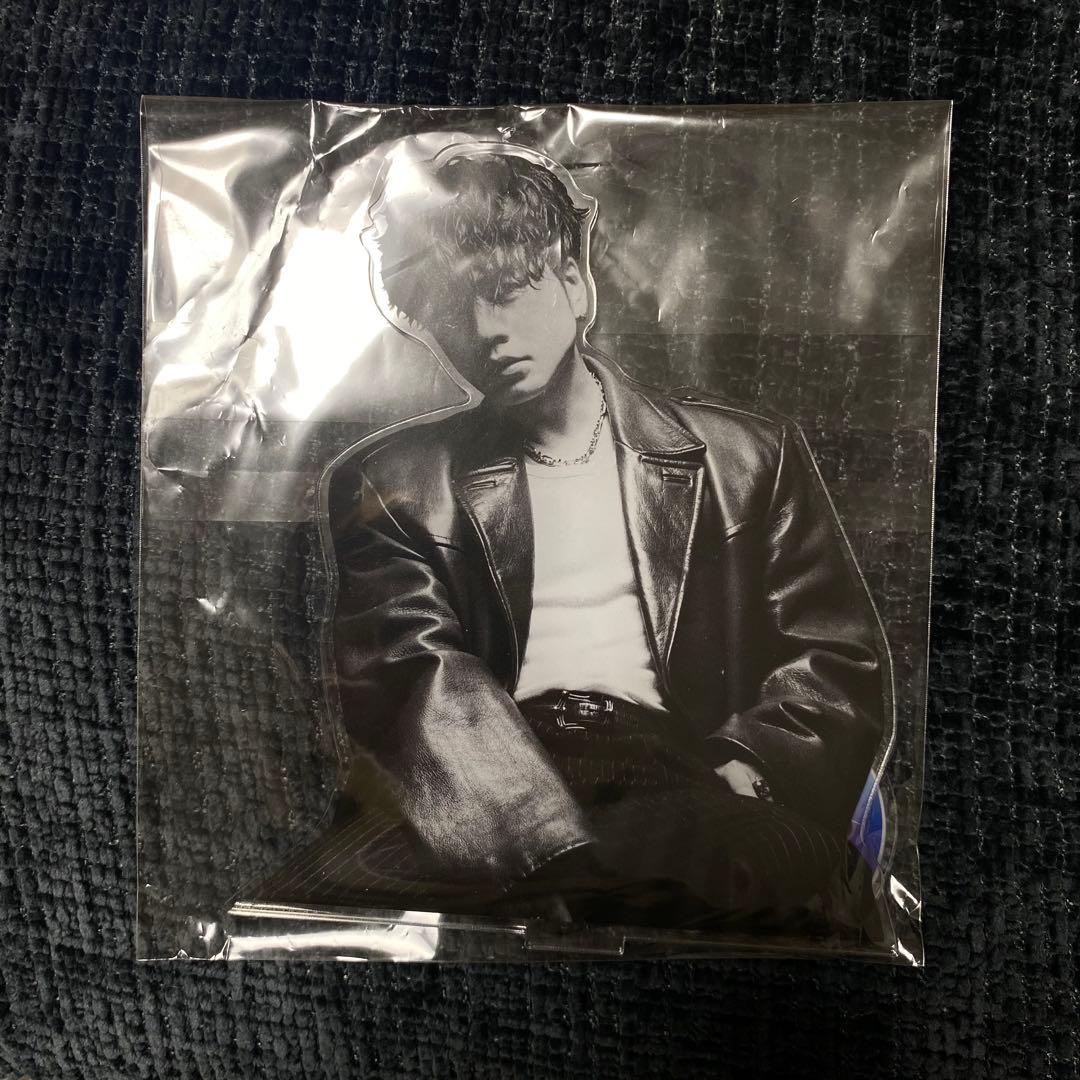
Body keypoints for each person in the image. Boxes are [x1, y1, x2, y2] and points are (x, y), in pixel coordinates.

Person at [246, 144, 891, 930]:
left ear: (576, 282)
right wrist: (554, 852)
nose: (485, 330)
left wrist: (750, 757)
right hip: (482, 774)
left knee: (810, 901)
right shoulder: (391, 481)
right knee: (290, 917)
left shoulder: (747, 458)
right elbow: (412, 673)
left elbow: (833, 657)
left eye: (505, 291)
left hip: (683, 771)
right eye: (452, 308)